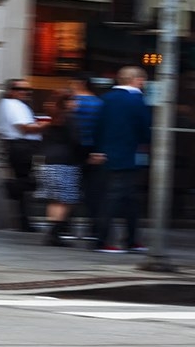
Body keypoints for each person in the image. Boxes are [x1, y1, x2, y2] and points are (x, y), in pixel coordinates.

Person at [90, 66, 152, 253]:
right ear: (138, 80)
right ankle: (105, 241)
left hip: (107, 155)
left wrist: (98, 150)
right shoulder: (137, 100)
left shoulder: (106, 98)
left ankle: (130, 239)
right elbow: (144, 129)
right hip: (128, 155)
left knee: (125, 199)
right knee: (118, 199)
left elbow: (97, 127)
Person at [0, 78, 48, 232]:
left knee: (26, 184)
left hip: (21, 146)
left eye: (27, 90)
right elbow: (25, 128)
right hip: (22, 146)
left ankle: (24, 221)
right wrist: (47, 124)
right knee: (32, 180)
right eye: (20, 89)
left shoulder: (14, 105)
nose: (25, 92)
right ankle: (11, 186)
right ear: (11, 90)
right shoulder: (12, 105)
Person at [35, 90, 84, 247]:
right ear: (67, 102)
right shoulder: (70, 118)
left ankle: (51, 233)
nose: (77, 104)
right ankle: (55, 233)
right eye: (74, 100)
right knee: (65, 200)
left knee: (54, 200)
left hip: (48, 162)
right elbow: (76, 141)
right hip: (65, 163)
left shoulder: (53, 119)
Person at [68, 73, 104, 239]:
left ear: (80, 83)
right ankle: (94, 227)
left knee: (70, 189)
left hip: (73, 149)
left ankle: (67, 226)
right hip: (93, 149)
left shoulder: (74, 103)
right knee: (92, 190)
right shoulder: (99, 103)